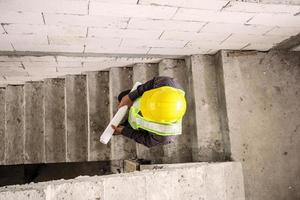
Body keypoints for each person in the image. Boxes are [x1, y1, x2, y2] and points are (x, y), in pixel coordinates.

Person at [111, 76, 186, 148]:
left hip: (135, 124)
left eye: (145, 112)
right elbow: (152, 83)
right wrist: (130, 97)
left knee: (113, 131)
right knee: (122, 96)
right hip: (140, 98)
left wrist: (124, 131)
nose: (141, 110)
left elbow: (146, 140)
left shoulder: (164, 135)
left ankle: (125, 125)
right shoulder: (168, 84)